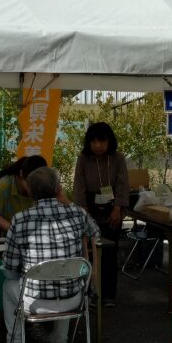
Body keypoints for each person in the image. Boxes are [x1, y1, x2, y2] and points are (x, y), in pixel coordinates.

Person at [0, 167, 100, 343]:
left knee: (8, 284)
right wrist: (68, 202)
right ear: (59, 188)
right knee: (65, 276)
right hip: (73, 300)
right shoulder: (77, 213)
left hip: (35, 302)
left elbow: (9, 267)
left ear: (30, 192)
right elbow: (95, 232)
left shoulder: (20, 219)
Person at [73, 122, 128, 307]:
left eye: (101, 141)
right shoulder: (83, 159)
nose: (97, 146)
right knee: (88, 254)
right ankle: (89, 294)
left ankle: (108, 295)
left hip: (113, 209)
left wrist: (118, 208)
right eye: (93, 141)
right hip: (89, 208)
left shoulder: (118, 158)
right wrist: (84, 213)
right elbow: (79, 187)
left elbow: (122, 183)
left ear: (109, 141)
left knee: (110, 253)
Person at [0, 156, 49, 237]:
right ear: (21, 174)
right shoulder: (3, 185)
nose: (34, 189)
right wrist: (15, 230)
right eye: (30, 184)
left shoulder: (40, 186)